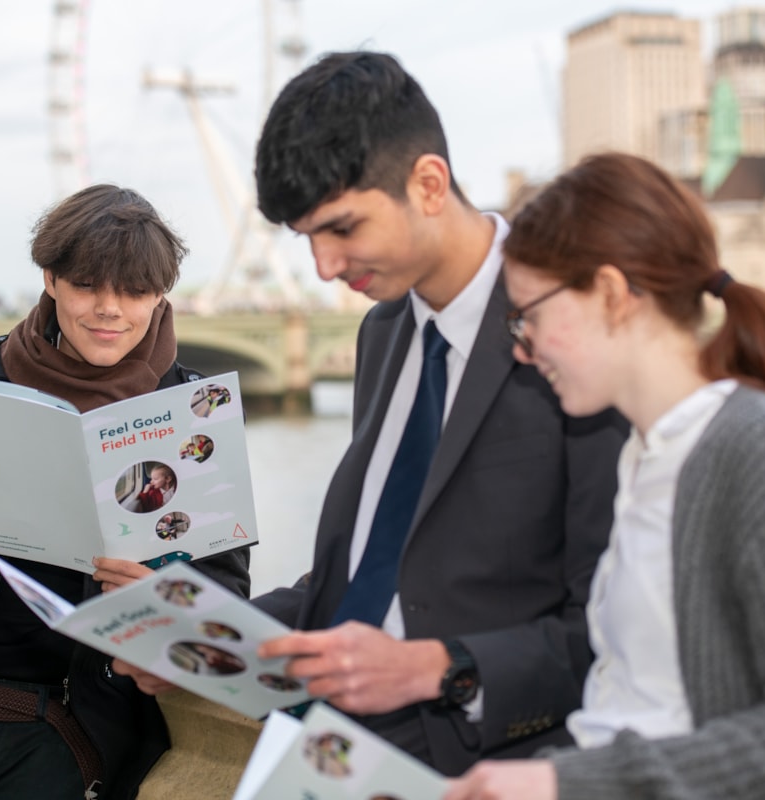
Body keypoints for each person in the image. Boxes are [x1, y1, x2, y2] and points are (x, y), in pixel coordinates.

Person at [444, 152, 765, 799]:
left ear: (613, 295)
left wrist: (565, 782)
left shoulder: (763, 458)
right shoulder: (648, 456)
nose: (522, 348)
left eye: (528, 315)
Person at [247, 50, 626, 776]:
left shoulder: (570, 337)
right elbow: (360, 578)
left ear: (428, 184)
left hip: (479, 760)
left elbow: (615, 631)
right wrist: (196, 629)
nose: (324, 267)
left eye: (343, 228)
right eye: (307, 240)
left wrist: (440, 667)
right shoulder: (382, 331)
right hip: (323, 747)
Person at [0, 184, 251, 800]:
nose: (109, 309)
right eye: (87, 284)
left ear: (162, 294)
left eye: (135, 290)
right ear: (51, 278)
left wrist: (163, 598)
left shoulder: (196, 411)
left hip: (71, 731)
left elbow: (228, 593)